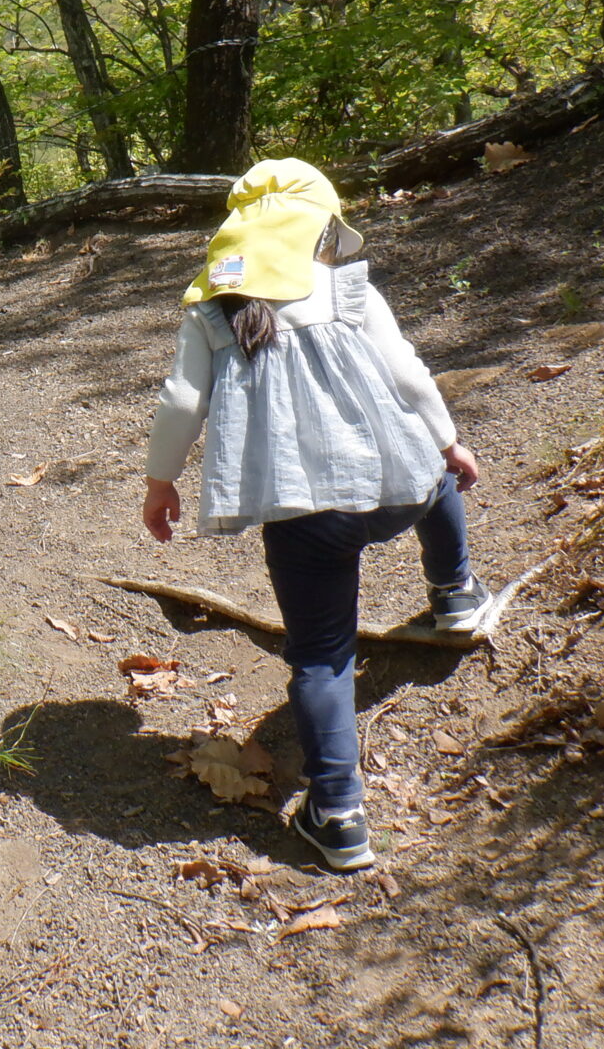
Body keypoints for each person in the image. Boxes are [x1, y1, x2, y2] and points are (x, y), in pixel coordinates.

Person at [140, 159, 496, 872]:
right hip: (396, 485)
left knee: (322, 656)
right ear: (319, 230)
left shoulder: (212, 311)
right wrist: (449, 440)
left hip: (305, 517)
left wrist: (160, 482)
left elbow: (182, 401)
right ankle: (456, 594)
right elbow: (406, 372)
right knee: (436, 481)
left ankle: (337, 814)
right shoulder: (347, 287)